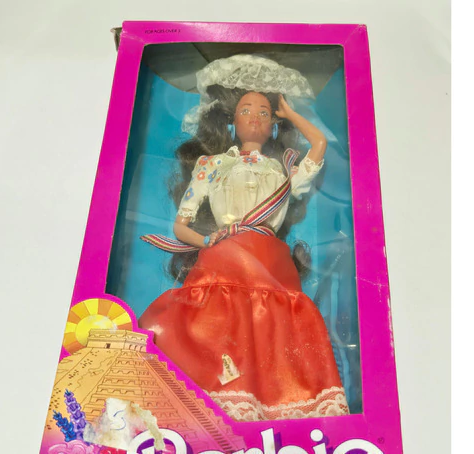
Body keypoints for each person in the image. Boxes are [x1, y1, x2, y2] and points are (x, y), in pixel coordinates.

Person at [139, 55, 349, 421]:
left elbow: (318, 144)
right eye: (246, 110)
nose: (255, 117)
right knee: (220, 322)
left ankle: (270, 403)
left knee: (274, 325)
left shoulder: (284, 169)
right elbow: (181, 226)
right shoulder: (212, 165)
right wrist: (207, 242)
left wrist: (291, 113)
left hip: (270, 259)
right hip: (224, 255)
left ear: (274, 125)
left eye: (265, 113)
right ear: (232, 120)